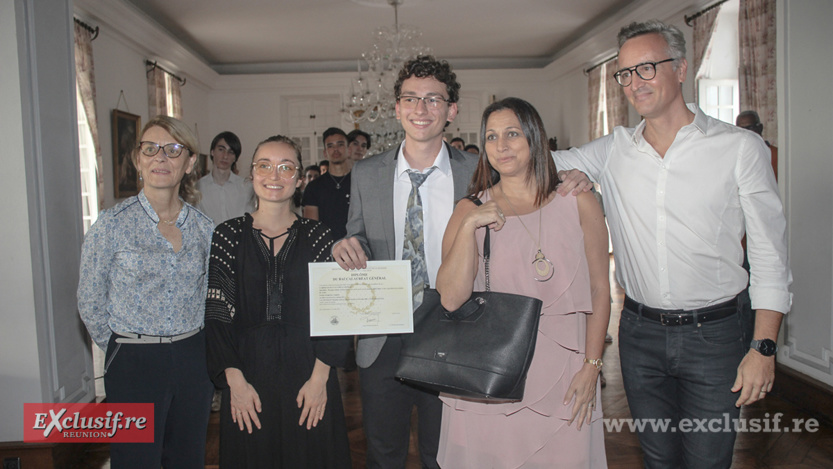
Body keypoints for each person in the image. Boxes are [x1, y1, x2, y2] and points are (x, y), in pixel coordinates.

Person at [555, 20, 792, 468]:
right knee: (659, 460)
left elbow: (770, 257)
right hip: (640, 334)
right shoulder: (612, 150)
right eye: (624, 73)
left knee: (708, 461)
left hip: (717, 336)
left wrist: (763, 348)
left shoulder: (740, 149)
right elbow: (532, 166)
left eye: (645, 68)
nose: (633, 83)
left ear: (681, 68)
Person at [436, 98, 609, 468]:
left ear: (534, 137)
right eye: (492, 137)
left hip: (565, 372)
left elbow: (599, 290)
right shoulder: (469, 208)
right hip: (491, 374)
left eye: (512, 134)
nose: (501, 146)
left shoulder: (579, 202)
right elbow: (450, 299)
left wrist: (592, 365)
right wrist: (469, 224)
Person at [333, 55, 478, 469]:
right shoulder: (367, 173)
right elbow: (358, 232)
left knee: (443, 455)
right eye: (410, 99)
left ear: (451, 110)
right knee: (383, 453)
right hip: (384, 334)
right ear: (396, 108)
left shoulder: (477, 173)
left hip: (451, 329)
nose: (420, 109)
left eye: (433, 99)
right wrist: (347, 245)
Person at [205, 135, 351, 468]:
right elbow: (216, 314)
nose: (274, 175)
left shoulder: (319, 235)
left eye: (286, 168)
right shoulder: (226, 235)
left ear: (300, 179)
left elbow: (335, 313)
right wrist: (234, 381)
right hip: (247, 373)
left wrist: (320, 380)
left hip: (309, 370)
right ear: (252, 174)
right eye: (265, 166)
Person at [77, 115, 213, 468]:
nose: (160, 158)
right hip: (133, 361)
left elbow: (211, 295)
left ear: (189, 163)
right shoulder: (112, 225)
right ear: (138, 160)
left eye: (172, 150)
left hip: (193, 359)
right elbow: (89, 299)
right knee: (135, 460)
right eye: (150, 149)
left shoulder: (204, 228)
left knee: (187, 458)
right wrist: (121, 347)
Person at [303, 128, 352, 239]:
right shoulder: (314, 187)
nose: (335, 149)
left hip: (357, 248)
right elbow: (311, 228)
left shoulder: (360, 183)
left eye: (340, 145)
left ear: (348, 150)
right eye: (330, 146)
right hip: (325, 249)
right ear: (325, 153)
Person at [197, 131, 254, 226]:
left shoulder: (247, 187)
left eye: (231, 152)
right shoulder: (198, 188)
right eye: (221, 149)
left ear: (235, 158)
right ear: (212, 152)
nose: (225, 156)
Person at [736, 110, 778, 180]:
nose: (746, 133)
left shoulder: (776, 155)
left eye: (750, 128)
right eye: (741, 130)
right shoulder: (737, 156)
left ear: (760, 128)